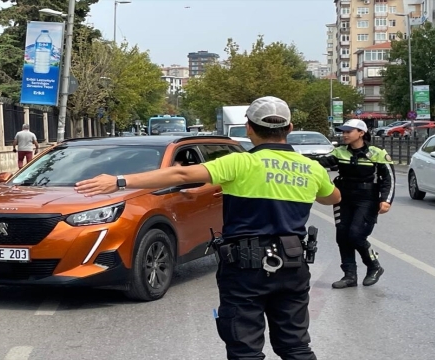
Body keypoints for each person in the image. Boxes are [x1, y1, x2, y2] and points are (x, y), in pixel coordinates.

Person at [75, 96, 341, 360]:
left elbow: (181, 175)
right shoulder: (311, 169)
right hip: (292, 266)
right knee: (294, 346)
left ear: (249, 127)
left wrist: (119, 181)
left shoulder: (240, 163)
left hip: (245, 268)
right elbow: (333, 197)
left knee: (245, 350)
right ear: (290, 128)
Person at [315, 119, 394, 289]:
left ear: (361, 133)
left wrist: (385, 200)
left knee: (356, 235)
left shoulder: (377, 153)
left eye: (348, 131)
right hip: (343, 198)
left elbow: (389, 179)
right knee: (342, 236)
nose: (344, 135)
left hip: (367, 199)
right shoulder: (339, 152)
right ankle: (349, 275)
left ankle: (374, 266)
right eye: (343, 132)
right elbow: (317, 164)